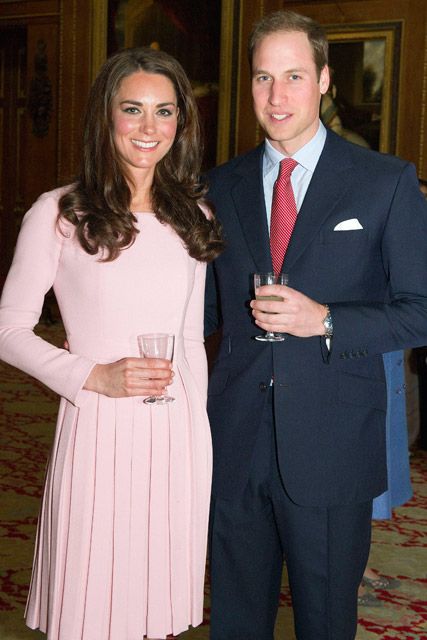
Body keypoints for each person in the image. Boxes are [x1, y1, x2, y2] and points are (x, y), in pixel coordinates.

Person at [204, 10, 427, 640]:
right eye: (262, 78)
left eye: (294, 76)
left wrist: (326, 319)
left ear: (325, 80)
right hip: (235, 442)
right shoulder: (219, 186)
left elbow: (421, 309)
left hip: (332, 448)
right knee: (236, 622)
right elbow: (205, 308)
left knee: (326, 623)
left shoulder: (384, 183)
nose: (277, 97)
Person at [0, 47, 223, 640]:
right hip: (97, 427)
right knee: (91, 604)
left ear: (182, 122)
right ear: (107, 117)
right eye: (133, 110)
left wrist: (197, 436)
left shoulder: (194, 214)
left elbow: (191, 339)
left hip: (176, 434)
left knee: (158, 608)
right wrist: (91, 375)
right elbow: (8, 329)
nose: (150, 128)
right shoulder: (59, 212)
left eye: (165, 112)